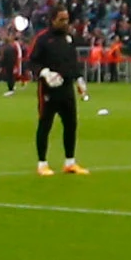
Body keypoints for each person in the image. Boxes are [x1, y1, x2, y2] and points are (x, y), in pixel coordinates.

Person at [26, 9, 84, 174]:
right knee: (45, 124)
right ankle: (42, 163)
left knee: (71, 124)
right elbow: (32, 61)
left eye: (67, 19)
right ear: (52, 20)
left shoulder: (69, 38)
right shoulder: (43, 39)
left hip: (66, 87)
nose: (65, 23)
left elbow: (73, 61)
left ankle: (70, 162)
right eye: (61, 19)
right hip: (48, 88)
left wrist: (79, 78)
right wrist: (44, 72)